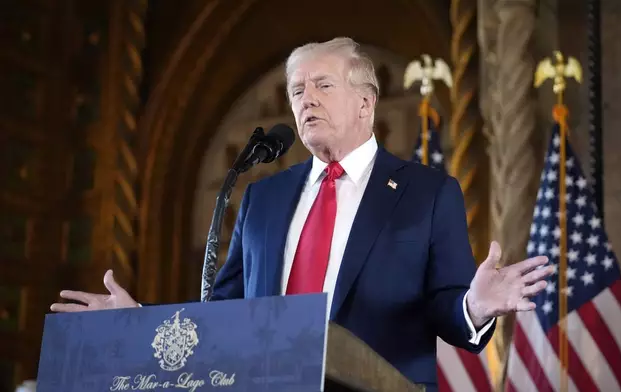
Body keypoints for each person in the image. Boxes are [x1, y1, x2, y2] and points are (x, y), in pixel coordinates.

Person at [51, 37, 554, 390]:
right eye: (297, 90)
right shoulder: (261, 199)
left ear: (365, 102)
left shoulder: (427, 193)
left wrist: (476, 305)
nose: (306, 99)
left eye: (322, 86)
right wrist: (136, 323)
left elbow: (445, 306)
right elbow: (221, 316)